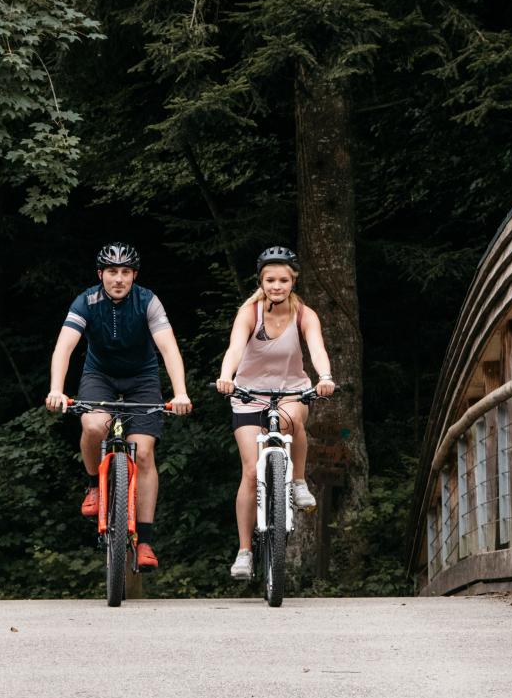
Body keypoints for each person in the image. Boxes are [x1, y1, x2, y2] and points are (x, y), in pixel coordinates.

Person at [44, 242, 192, 571]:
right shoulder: (86, 301)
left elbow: (168, 349)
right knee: (94, 426)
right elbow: (64, 348)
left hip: (142, 378)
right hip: (101, 375)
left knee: (143, 452)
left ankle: (146, 541)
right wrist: (56, 389)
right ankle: (93, 485)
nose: (119, 279)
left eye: (126, 272)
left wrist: (180, 392)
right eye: (112, 272)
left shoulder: (147, 301)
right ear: (101, 275)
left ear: (134, 275)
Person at [212, 245, 336, 580]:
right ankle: (244, 552)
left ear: (293, 280)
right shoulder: (250, 313)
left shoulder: (304, 315)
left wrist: (324, 378)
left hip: (291, 390)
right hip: (248, 394)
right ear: (261, 281)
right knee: (251, 472)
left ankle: (296, 481)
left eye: (283, 279)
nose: (276, 285)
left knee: (291, 419)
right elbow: (235, 348)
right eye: (270, 280)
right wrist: (226, 376)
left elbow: (318, 350)